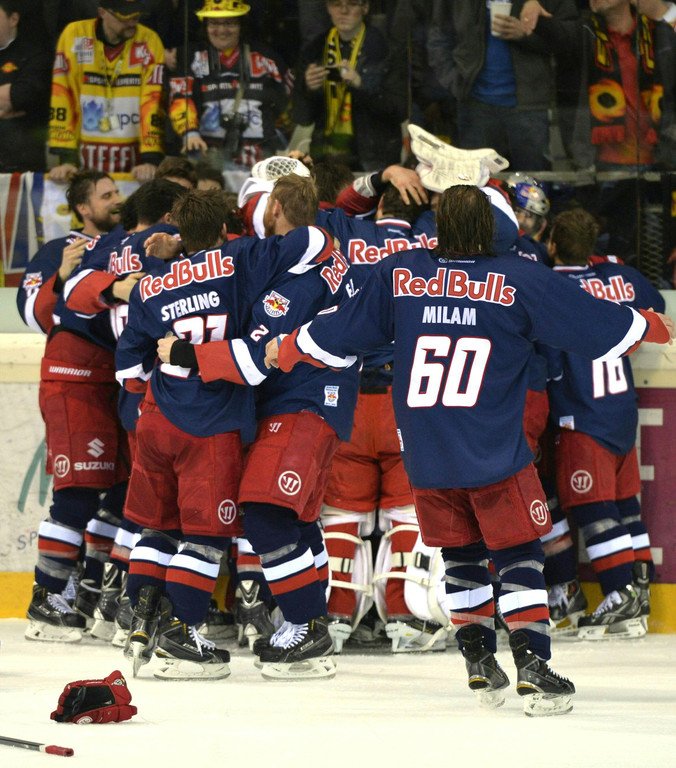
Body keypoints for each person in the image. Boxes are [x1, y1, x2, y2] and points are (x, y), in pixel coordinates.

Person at [265, 184, 673, 716]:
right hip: (492, 447)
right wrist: (651, 325)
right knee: (517, 554)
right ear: (491, 226)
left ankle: (479, 660)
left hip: (426, 452)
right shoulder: (517, 276)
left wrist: (287, 346)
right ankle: (533, 665)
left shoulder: (400, 271)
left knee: (460, 556)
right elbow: (594, 322)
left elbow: (338, 332)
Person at [114, 185, 340, 679]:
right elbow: (314, 242)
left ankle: (139, 619)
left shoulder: (152, 284)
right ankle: (182, 630)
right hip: (212, 418)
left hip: (156, 414)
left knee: (157, 526)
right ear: (224, 227)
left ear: (179, 229)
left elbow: (128, 367)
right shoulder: (241, 258)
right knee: (206, 535)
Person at [543, 208, 665, 639]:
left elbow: (548, 360)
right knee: (625, 504)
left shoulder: (551, 286)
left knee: (593, 508)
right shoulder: (620, 277)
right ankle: (639, 594)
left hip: (583, 413)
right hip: (621, 409)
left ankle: (618, 593)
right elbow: (657, 304)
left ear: (552, 244)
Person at [21, 171, 131, 644]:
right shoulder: (60, 249)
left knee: (121, 491)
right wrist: (63, 277)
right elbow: (35, 315)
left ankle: (87, 591)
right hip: (74, 382)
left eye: (117, 192)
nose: (116, 200)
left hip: (113, 386)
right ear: (83, 208)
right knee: (79, 492)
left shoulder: (128, 244)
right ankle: (47, 598)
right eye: (106, 195)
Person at [426, 0, 579, 172]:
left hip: (529, 107)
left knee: (532, 184)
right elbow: (438, 37)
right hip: (474, 105)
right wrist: (455, 82)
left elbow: (571, 39)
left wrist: (526, 35)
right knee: (476, 184)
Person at [48, 0, 165, 181]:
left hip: (135, 165)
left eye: (136, 14)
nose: (132, 21)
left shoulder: (150, 40)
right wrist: (67, 159)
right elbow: (63, 96)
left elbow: (152, 102)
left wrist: (150, 159)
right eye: (124, 16)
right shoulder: (74, 35)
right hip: (84, 162)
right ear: (102, 12)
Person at [167, 0, 291, 171]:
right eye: (214, 23)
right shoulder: (189, 57)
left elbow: (289, 104)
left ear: (241, 25)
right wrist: (190, 132)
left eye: (229, 23)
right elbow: (180, 99)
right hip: (207, 160)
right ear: (205, 25)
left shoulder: (268, 59)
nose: (221, 30)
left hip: (260, 161)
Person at [292, 0, 406, 170]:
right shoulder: (315, 49)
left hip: (374, 157)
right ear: (328, 8)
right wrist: (309, 89)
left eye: (352, 4)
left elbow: (399, 110)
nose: (343, 11)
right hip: (327, 155)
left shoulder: (385, 48)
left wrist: (362, 86)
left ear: (365, 8)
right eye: (336, 4)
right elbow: (302, 117)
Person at [0, 0, 52, 172]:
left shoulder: (35, 54)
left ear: (13, 19)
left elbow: (23, 95)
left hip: (22, 162)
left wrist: (12, 98)